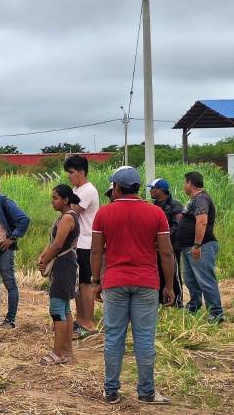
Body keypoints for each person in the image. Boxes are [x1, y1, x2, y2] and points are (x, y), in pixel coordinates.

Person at [91, 166, 175, 405]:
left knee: (114, 336)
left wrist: (96, 280)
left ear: (117, 187)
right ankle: (147, 391)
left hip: (115, 282)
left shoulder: (104, 214)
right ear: (137, 187)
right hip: (147, 282)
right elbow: (167, 253)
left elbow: (97, 250)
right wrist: (168, 286)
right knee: (145, 337)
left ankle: (111, 391)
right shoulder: (156, 214)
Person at [37, 185, 80, 365]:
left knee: (57, 309)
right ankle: (66, 350)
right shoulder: (68, 217)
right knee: (65, 309)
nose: (52, 201)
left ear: (65, 200)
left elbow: (57, 245)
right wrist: (43, 257)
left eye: (55, 198)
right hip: (65, 264)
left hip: (63, 265)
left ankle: (57, 352)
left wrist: (44, 260)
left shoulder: (67, 218)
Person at [0, 173, 30, 329]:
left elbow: (24, 219)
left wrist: (12, 238)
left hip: (3, 250)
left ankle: (10, 320)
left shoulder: (5, 203)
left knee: (9, 284)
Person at [178, 171, 224, 322]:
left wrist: (197, 244)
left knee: (205, 280)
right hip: (189, 247)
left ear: (190, 183)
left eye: (185, 182)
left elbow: (202, 221)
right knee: (190, 280)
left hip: (201, 246)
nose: (184, 185)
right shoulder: (195, 200)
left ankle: (216, 314)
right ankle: (194, 305)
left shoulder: (201, 199)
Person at [64, 155, 100, 339]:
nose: (69, 176)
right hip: (79, 243)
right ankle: (80, 319)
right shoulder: (77, 190)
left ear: (81, 172)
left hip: (86, 243)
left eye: (71, 172)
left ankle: (89, 323)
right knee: (79, 285)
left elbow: (70, 211)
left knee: (86, 285)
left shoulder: (87, 191)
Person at [147, 179, 185, 306]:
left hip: (171, 247)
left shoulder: (176, 206)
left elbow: (178, 226)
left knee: (173, 273)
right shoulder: (152, 206)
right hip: (154, 248)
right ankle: (160, 301)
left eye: (152, 188)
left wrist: (162, 239)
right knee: (157, 272)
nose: (150, 191)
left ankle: (177, 301)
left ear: (160, 190)